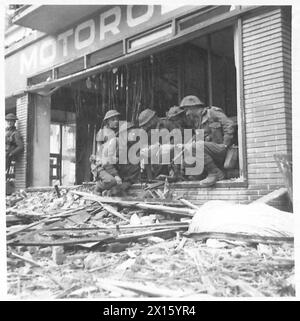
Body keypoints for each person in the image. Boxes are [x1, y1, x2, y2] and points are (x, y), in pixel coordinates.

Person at [180, 95, 235, 187]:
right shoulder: (198, 121)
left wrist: (225, 144)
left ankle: (215, 173)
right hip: (211, 150)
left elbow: (229, 124)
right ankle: (198, 175)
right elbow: (199, 136)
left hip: (221, 148)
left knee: (195, 147)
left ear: (193, 107)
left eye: (187, 110)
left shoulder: (212, 112)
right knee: (187, 154)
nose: (187, 114)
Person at [92, 109, 123, 195]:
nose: (116, 121)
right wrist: (116, 175)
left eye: (117, 119)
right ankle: (98, 187)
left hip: (107, 165)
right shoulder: (105, 134)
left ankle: (105, 190)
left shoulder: (112, 133)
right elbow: (105, 159)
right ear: (107, 122)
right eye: (113, 120)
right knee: (113, 181)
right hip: (100, 166)